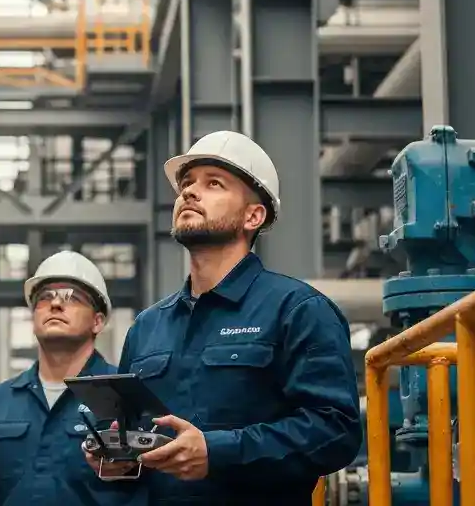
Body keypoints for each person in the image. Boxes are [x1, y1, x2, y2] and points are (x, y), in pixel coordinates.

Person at [89, 131, 362, 505]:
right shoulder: (147, 327)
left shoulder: (298, 310)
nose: (189, 192)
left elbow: (335, 430)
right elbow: (135, 446)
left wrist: (217, 452)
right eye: (186, 183)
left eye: (213, 183)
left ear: (253, 216)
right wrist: (117, 457)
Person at [0, 251, 140, 506]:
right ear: (33, 318)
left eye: (72, 297)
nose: (55, 304)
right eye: (44, 297)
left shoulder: (125, 394)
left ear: (97, 321)